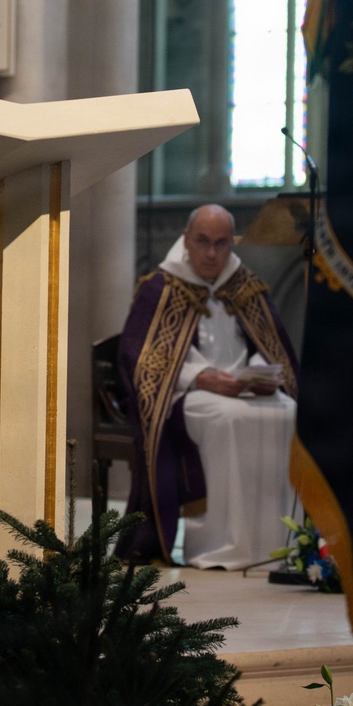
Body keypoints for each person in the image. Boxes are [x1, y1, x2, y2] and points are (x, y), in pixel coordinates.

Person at [118, 204, 297, 568]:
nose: (212, 253)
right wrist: (199, 378)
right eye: (202, 242)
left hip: (244, 392)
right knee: (226, 419)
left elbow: (266, 345)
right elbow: (140, 360)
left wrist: (264, 375)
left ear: (233, 243)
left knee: (289, 411)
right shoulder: (161, 288)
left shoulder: (243, 284)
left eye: (221, 243)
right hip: (187, 395)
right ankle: (220, 545)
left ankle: (278, 543)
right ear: (186, 240)